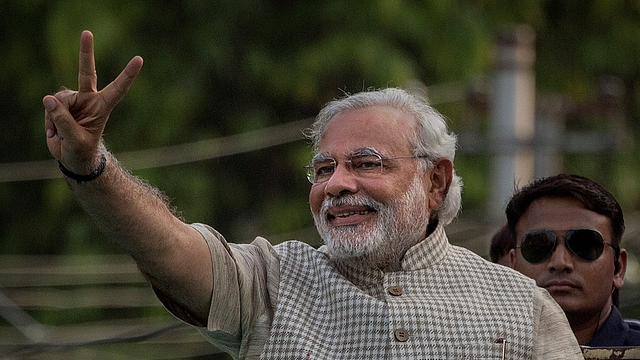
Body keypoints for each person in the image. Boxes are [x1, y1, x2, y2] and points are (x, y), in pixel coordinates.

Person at [42, 30, 583, 359]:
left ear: (435, 180)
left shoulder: (519, 306)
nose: (336, 184)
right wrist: (92, 166)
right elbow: (166, 248)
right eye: (323, 168)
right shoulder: (271, 282)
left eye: (365, 163)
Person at [506, 174, 640, 347]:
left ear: (618, 268)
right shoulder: (482, 352)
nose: (560, 262)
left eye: (584, 245)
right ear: (512, 267)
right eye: (539, 246)